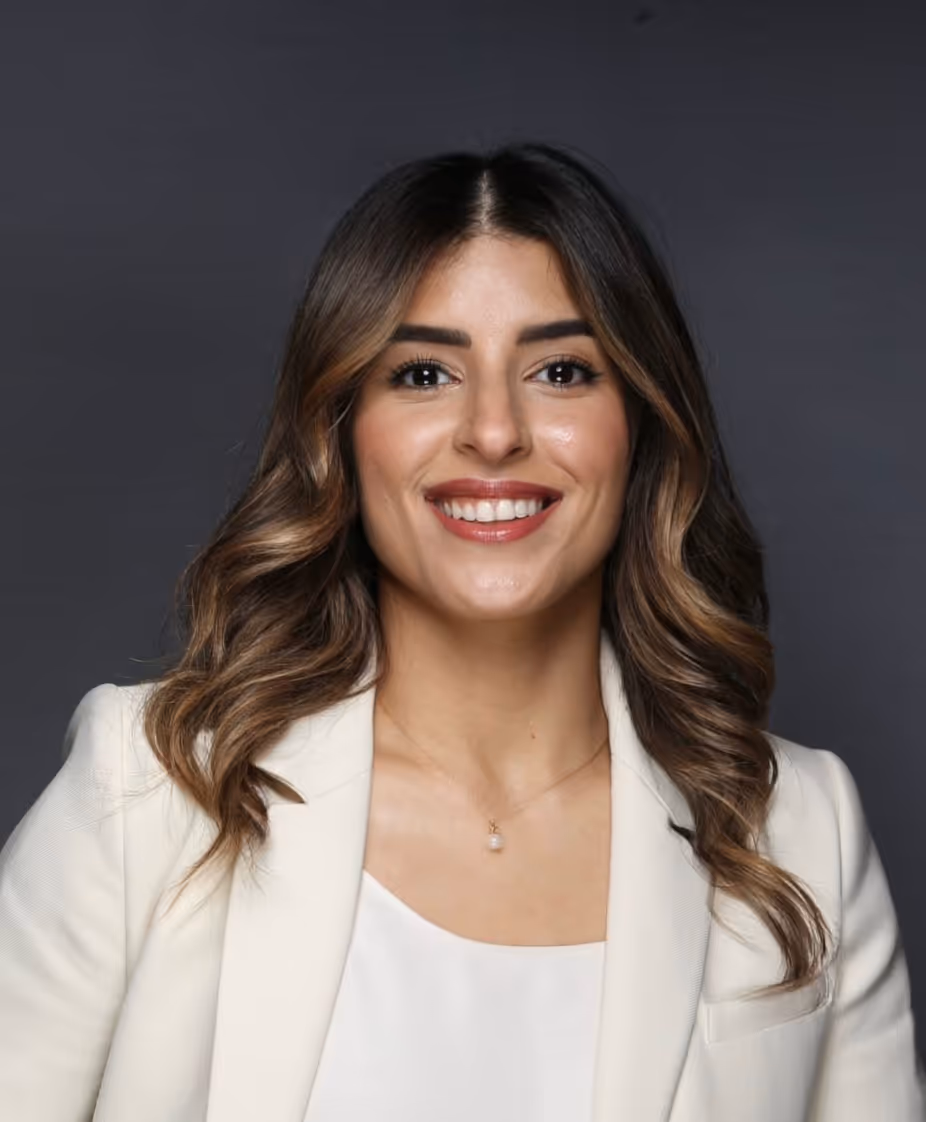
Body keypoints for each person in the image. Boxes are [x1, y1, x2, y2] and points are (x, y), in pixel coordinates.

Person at [0, 142, 923, 1122]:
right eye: (423, 373)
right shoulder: (151, 791)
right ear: (341, 429)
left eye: (560, 370)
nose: (492, 431)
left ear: (642, 425)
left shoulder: (802, 831)